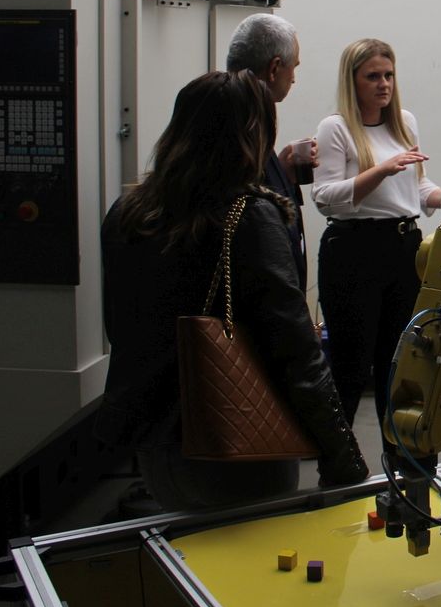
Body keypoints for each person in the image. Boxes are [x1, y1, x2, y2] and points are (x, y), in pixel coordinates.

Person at [96, 71, 368, 511]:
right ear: (253, 134)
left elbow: (120, 325)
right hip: (236, 435)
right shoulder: (249, 215)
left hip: (157, 443)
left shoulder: (129, 210)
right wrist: (344, 461)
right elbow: (296, 352)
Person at [311, 38, 441, 426]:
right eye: (373, 77)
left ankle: (399, 455)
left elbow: (415, 185)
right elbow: (324, 197)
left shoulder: (404, 122)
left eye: (388, 75)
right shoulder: (335, 128)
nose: (383, 84)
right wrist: (380, 171)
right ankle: (338, 457)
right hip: (353, 250)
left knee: (400, 363)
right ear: (352, 81)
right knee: (351, 366)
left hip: (403, 249)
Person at [226, 13, 314, 290]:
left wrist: (281, 174)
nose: (294, 79)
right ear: (275, 68)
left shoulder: (222, 115)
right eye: (293, 67)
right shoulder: (246, 127)